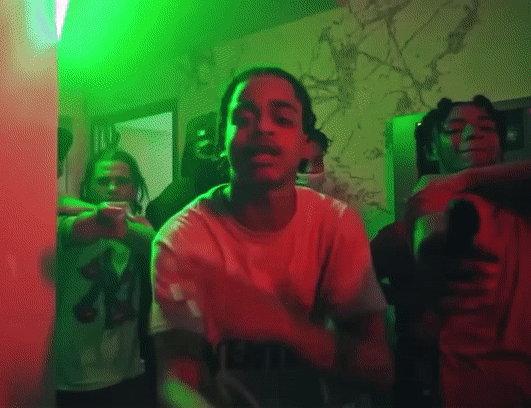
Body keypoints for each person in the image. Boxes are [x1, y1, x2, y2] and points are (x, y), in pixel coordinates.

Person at [150, 67, 393, 408]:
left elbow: (378, 367)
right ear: (221, 141)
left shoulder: (335, 223)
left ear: (305, 143)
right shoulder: (182, 239)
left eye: (282, 118)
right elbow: (176, 382)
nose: (263, 128)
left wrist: (280, 324)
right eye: (243, 118)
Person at [371, 95, 531, 407]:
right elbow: (347, 287)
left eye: (486, 128)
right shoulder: (403, 230)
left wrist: (466, 177)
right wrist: (404, 299)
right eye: (455, 129)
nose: (472, 134)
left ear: (501, 144)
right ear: (431, 149)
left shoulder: (521, 216)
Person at [52, 148, 157, 408]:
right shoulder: (70, 220)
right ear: (87, 186)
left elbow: (158, 246)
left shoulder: (141, 228)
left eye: (121, 181)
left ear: (135, 189)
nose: (112, 188)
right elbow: (74, 224)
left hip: (129, 373)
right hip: (75, 379)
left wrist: (127, 223)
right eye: (102, 181)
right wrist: (96, 211)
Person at [145, 117, 229, 231]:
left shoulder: (233, 191)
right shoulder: (180, 191)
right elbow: (153, 214)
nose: (218, 157)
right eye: (207, 150)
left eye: (222, 150)